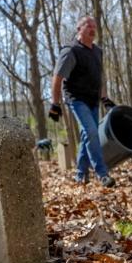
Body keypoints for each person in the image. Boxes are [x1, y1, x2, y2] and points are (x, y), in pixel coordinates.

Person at [48, 16, 116, 187]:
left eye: (94, 26)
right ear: (79, 29)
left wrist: (104, 98)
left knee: (88, 135)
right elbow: (58, 76)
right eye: (88, 26)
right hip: (76, 99)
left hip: (92, 99)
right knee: (92, 131)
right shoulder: (71, 51)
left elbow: (97, 78)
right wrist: (55, 104)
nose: (92, 29)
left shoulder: (97, 51)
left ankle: (81, 175)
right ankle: (102, 173)